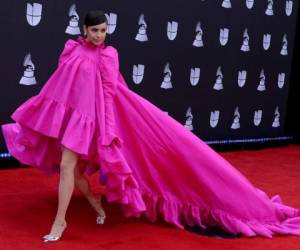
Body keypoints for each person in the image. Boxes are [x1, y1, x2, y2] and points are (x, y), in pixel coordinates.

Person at [2, 10, 300, 242]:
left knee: (74, 166)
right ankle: (92, 202)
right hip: (72, 119)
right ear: (84, 29)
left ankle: (61, 221)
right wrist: (46, 115)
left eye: (104, 30)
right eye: (94, 30)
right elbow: (61, 84)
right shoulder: (71, 50)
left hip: (98, 121)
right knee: (71, 168)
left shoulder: (108, 55)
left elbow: (108, 94)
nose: (99, 35)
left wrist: (107, 132)